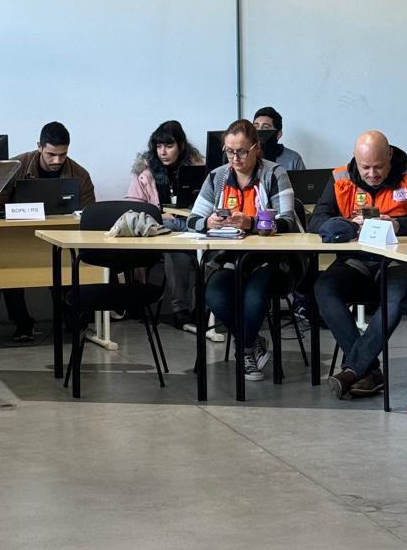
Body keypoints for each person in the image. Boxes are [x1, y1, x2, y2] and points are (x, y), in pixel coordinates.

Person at [311, 131, 407, 400]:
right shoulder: (340, 177)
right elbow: (317, 221)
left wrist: (396, 224)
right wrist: (348, 225)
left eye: (379, 167)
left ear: (390, 155)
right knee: (324, 288)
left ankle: (353, 369)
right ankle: (368, 370)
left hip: (400, 261)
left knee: (393, 297)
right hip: (357, 261)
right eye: (365, 167)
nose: (372, 173)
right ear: (356, 161)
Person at [187, 120, 299, 380]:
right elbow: (192, 219)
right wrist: (207, 222)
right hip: (228, 259)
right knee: (213, 294)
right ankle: (252, 341)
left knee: (254, 295)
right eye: (229, 151)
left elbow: (288, 221)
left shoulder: (274, 174)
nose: (235, 158)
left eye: (242, 152)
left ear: (256, 148)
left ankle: (245, 350)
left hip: (269, 260)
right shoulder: (218, 177)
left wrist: (251, 222)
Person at [3, 121, 96, 342]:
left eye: (62, 155)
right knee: (9, 272)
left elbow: (89, 213)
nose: (57, 161)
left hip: (61, 238)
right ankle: (22, 324)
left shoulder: (79, 174)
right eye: (51, 154)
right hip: (18, 239)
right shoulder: (16, 166)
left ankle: (72, 320)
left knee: (63, 272)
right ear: (39, 147)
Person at [127, 120, 204, 330]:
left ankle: (203, 308)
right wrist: (160, 214)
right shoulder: (144, 170)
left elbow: (208, 201)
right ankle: (181, 310)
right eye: (159, 146)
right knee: (177, 250)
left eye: (169, 146)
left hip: (191, 223)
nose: (163, 152)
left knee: (212, 251)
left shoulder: (198, 167)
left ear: (180, 145)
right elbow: (134, 208)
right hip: (158, 228)